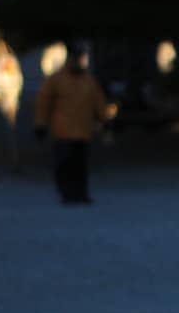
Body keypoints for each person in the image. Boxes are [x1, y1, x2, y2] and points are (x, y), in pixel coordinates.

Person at [34, 40, 117, 204]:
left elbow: (98, 102)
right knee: (64, 165)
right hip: (63, 132)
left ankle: (80, 192)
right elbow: (44, 103)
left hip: (83, 132)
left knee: (80, 166)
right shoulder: (57, 80)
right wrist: (41, 124)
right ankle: (67, 192)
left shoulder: (88, 81)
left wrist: (105, 121)